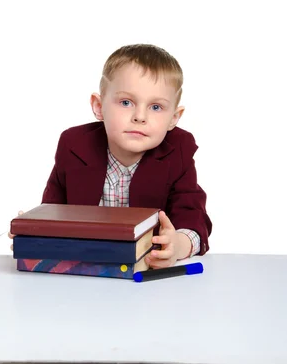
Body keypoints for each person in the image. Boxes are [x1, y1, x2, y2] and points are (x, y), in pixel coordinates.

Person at [12, 44, 212, 268]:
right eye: (126, 103)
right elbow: (53, 208)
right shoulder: (74, 145)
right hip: (84, 273)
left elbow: (193, 216)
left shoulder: (179, 149)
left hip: (146, 276)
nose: (139, 116)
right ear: (99, 106)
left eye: (156, 107)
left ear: (174, 117)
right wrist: (34, 234)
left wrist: (178, 245)